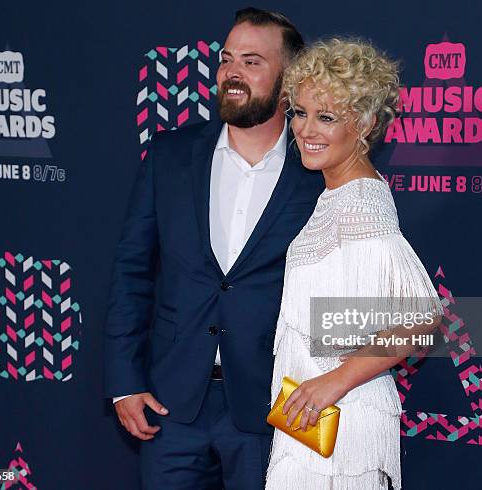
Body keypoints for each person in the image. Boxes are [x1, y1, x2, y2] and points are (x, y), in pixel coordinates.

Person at [103, 7, 324, 490]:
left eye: (252, 61)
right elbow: (132, 273)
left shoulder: (317, 175)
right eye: (227, 59)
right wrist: (125, 380)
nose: (232, 73)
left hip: (272, 407)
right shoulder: (170, 155)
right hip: (172, 405)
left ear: (289, 81)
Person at [265, 38, 443, 490]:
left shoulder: (362, 203)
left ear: (363, 123)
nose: (306, 130)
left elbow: (422, 320)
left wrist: (333, 382)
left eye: (326, 117)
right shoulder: (338, 194)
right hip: (316, 421)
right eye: (299, 112)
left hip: (342, 421)